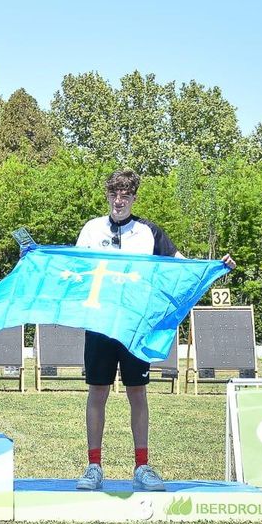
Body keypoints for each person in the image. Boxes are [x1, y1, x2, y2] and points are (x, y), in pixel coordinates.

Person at [75, 169, 234, 491]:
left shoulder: (149, 232)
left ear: (134, 198)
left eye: (125, 195)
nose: (119, 201)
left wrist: (217, 266)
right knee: (98, 392)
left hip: (138, 326)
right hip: (101, 324)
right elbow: (74, 266)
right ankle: (93, 467)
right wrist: (37, 256)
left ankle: (142, 467)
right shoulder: (92, 230)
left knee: (137, 393)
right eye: (114, 194)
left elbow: (182, 266)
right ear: (107, 196)